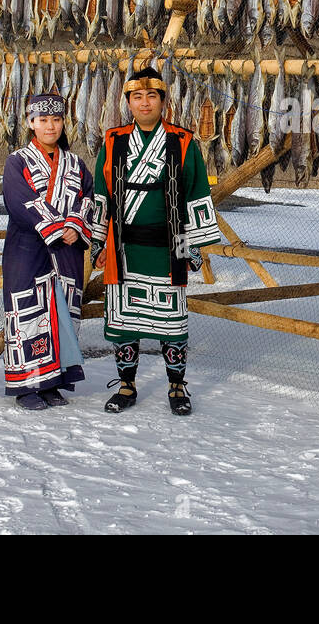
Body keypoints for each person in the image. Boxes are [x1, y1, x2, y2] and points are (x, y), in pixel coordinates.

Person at [92, 66, 222, 416]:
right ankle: (126, 384)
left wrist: (191, 247)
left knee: (173, 326)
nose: (145, 102)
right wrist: (97, 242)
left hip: (171, 244)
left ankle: (177, 386)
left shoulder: (182, 141)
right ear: (129, 102)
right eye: (137, 96)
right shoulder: (113, 140)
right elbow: (101, 194)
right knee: (125, 324)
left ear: (163, 101)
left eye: (152, 96)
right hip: (124, 249)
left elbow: (196, 193)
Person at [0, 93, 95, 411]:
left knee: (62, 314)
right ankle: (27, 385)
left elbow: (88, 198)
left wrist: (76, 226)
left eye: (55, 119)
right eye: (43, 120)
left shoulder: (76, 163)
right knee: (30, 314)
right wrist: (56, 228)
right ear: (30, 123)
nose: (50, 126)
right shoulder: (17, 161)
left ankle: (53, 381)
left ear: (63, 122)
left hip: (67, 250)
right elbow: (19, 200)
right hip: (28, 248)